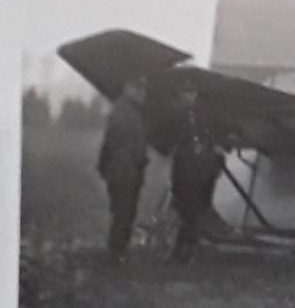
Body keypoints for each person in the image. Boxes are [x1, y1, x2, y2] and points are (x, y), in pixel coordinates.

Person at [159, 80, 226, 263]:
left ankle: (189, 249)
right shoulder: (176, 115)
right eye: (185, 93)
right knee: (185, 208)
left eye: (192, 92)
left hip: (203, 168)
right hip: (184, 168)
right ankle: (184, 249)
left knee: (198, 208)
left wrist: (217, 159)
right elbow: (167, 141)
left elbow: (219, 136)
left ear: (197, 94)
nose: (189, 96)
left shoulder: (209, 114)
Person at [96, 77, 150, 261]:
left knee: (126, 212)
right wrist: (136, 160)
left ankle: (119, 251)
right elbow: (114, 142)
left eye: (143, 90)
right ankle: (116, 253)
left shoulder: (130, 111)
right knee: (123, 212)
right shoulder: (123, 111)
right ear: (127, 88)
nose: (142, 94)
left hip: (128, 170)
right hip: (123, 170)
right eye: (138, 89)